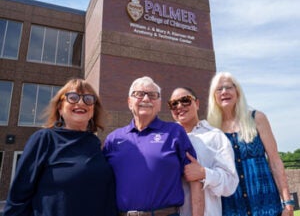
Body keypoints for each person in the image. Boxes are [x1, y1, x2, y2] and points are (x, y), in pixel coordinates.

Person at [4, 78, 118, 216]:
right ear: (60, 107)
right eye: (73, 97)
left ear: (93, 109)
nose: (81, 102)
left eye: (88, 98)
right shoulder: (44, 139)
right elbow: (17, 199)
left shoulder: (94, 143)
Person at [103, 76, 204, 216]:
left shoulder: (175, 132)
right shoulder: (113, 139)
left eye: (152, 95)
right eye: (139, 94)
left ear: (159, 104)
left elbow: (195, 179)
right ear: (129, 102)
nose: (145, 99)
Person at [207, 72, 294, 216]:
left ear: (237, 92)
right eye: (219, 89)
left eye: (229, 87)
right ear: (214, 96)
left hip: (266, 204)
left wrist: (288, 202)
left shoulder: (257, 118)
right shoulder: (211, 129)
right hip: (232, 207)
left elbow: (275, 162)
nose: (224, 92)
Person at [168, 87, 239, 216]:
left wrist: (204, 173)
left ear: (197, 103)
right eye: (174, 104)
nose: (179, 106)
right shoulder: (166, 139)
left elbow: (230, 184)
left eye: (185, 100)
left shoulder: (216, 136)